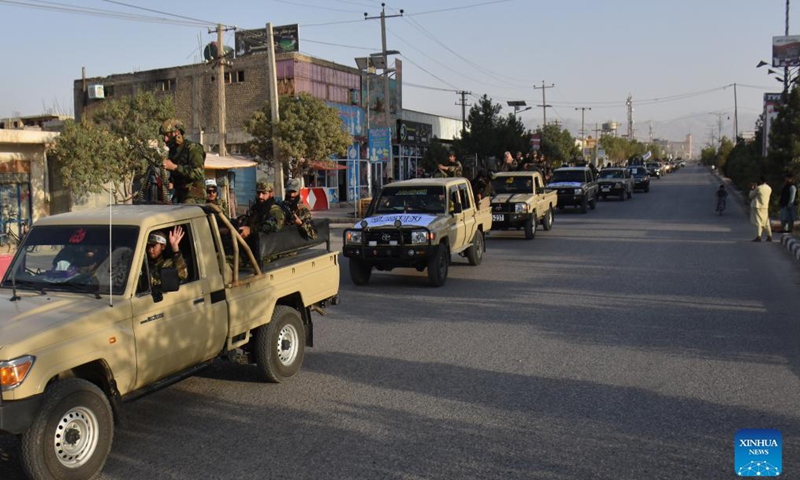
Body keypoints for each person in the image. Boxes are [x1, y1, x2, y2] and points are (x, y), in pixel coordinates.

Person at [160, 118, 206, 204]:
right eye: (164, 136)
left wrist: (174, 167)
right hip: (179, 193)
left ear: (176, 133)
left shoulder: (193, 148)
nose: (165, 139)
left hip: (194, 195)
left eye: (168, 135)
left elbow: (198, 173)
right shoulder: (173, 151)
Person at [749, 177, 773, 242]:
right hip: (765, 206)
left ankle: (758, 236)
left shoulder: (759, 188)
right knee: (766, 222)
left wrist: (752, 189)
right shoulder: (769, 188)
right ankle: (769, 235)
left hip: (757, 206)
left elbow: (751, 196)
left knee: (758, 222)